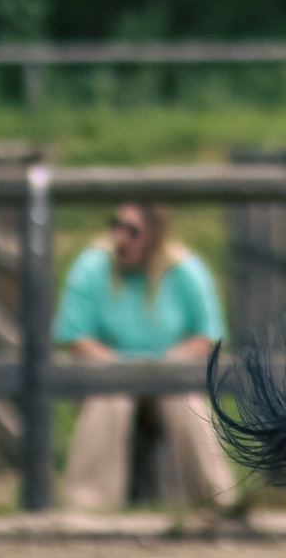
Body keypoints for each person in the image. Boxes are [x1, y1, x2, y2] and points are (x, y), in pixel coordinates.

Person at [55, 202, 239, 513]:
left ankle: (217, 501)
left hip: (169, 374)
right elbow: (75, 336)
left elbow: (209, 336)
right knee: (110, 399)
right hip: (108, 375)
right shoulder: (92, 267)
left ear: (154, 236)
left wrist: (165, 363)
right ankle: (86, 507)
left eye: (132, 230)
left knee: (187, 404)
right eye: (116, 225)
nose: (120, 237)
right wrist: (118, 365)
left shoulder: (185, 271)